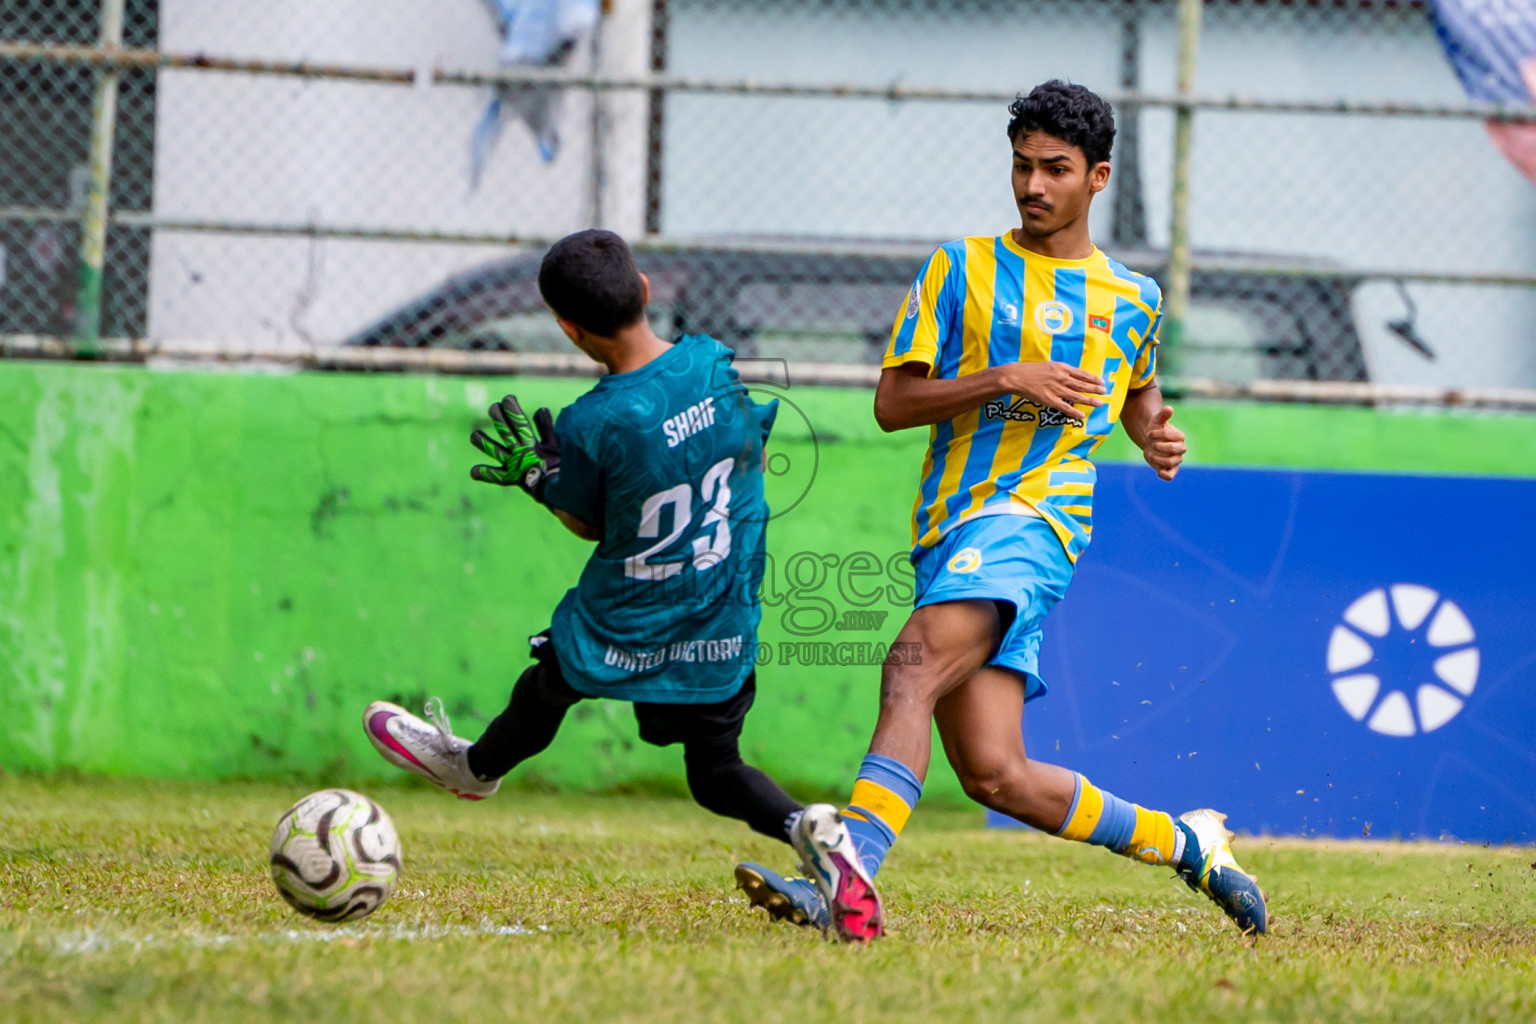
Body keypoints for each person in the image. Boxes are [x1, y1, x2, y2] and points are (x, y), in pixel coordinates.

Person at [737, 81, 1267, 942]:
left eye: (1055, 169)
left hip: (1036, 522)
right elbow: (893, 405)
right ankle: (1190, 843)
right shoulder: (960, 267)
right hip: (950, 526)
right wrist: (1003, 377)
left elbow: (1138, 399)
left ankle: (850, 875)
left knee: (908, 667)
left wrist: (1156, 436)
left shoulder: (1132, 298)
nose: (1032, 185)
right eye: (1022, 166)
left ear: (1097, 178)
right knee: (995, 773)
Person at [364, 230, 818, 915]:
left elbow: (591, 522)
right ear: (643, 290)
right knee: (716, 769)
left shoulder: (595, 420)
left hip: (637, 613)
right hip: (719, 610)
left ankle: (476, 768)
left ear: (568, 328)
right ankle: (804, 827)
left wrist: (539, 476)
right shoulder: (714, 363)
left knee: (554, 679)